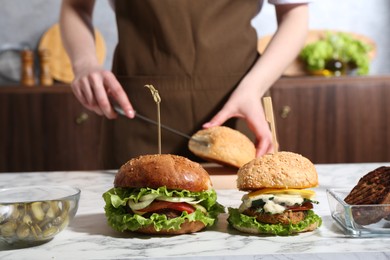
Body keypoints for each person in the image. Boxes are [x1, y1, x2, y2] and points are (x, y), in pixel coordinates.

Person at [60, 0, 310, 168]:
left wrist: (253, 89)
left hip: (238, 104)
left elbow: (294, 11)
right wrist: (84, 64)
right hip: (141, 109)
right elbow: (76, 6)